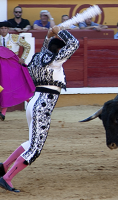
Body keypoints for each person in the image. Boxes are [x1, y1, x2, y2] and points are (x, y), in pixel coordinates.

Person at [0, 25, 79, 192]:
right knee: (35, 148)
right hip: (42, 106)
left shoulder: (38, 57)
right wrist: (59, 31)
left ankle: (5, 166)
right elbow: (74, 43)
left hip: (33, 103)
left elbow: (47, 48)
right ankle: (7, 178)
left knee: (31, 141)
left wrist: (49, 35)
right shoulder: (56, 60)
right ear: (59, 51)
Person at [0, 21, 33, 121]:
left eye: (5, 28)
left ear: (8, 29)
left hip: (13, 65)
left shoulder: (15, 38)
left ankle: (31, 103)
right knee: (4, 87)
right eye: (2, 28)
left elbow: (28, 46)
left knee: (11, 87)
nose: (3, 30)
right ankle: (31, 103)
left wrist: (23, 58)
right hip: (1, 66)